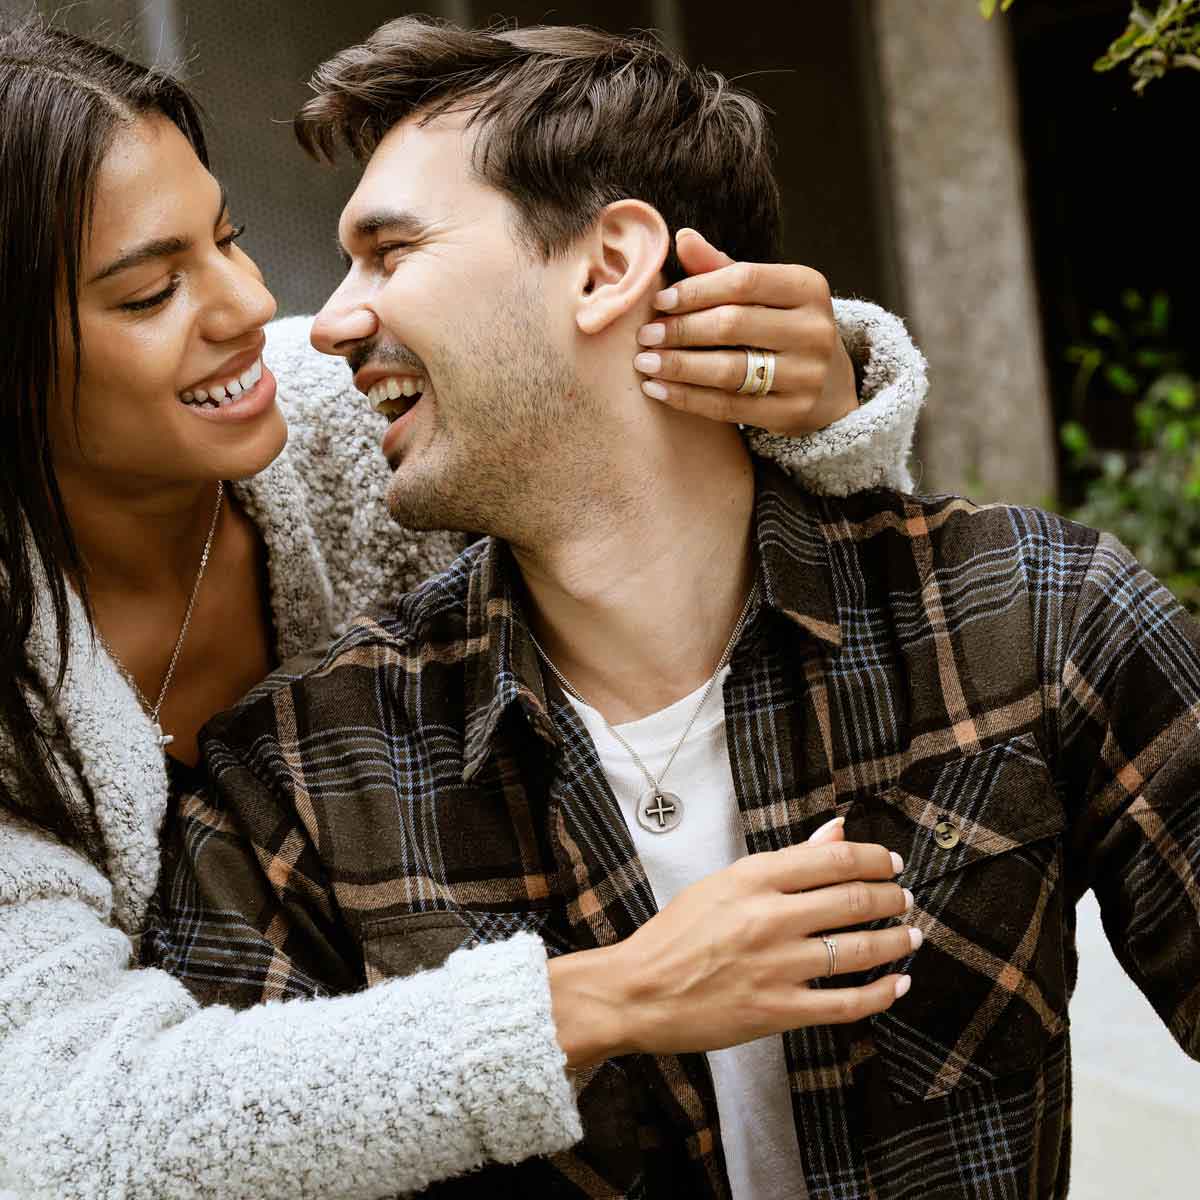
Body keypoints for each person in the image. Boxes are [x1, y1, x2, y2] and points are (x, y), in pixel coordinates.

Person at [175, 17, 1200, 1200]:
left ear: (609, 266)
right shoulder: (299, 778)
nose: (335, 322)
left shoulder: (1038, 615)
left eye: (390, 253)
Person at [0, 18, 932, 1200]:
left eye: (226, 238)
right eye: (149, 292)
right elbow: (60, 1134)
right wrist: (612, 995)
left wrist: (820, 418)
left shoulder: (348, 432)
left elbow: (661, 502)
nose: (251, 304)